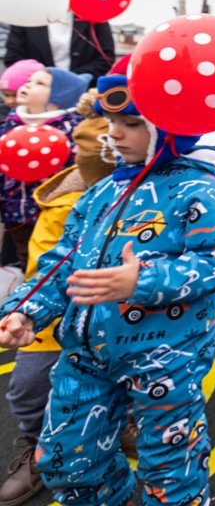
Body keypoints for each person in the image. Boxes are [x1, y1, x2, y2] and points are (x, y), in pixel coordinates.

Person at [0, 70, 215, 505]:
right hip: (84, 355)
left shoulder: (199, 187)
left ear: (170, 126)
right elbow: (63, 262)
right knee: (64, 462)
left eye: (133, 124)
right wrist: (25, 310)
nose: (116, 133)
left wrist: (143, 280)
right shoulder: (99, 194)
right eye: (113, 122)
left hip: (164, 362)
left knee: (171, 475)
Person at [0, 94, 112, 505]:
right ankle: (39, 448)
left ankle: (121, 427)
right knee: (29, 387)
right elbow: (48, 268)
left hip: (121, 322)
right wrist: (24, 311)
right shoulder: (67, 205)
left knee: (119, 387)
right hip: (58, 319)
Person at [1, 67, 91, 267]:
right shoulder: (11, 122)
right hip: (16, 210)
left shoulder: (70, 127)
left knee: (48, 258)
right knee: (23, 257)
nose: (28, 85)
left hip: (53, 212)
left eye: (39, 83)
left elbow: (75, 169)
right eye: (30, 81)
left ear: (56, 99)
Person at [3, 0, 115, 81]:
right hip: (37, 91)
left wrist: (73, 79)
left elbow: (105, 57)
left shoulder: (94, 17)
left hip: (83, 91)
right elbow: (14, 58)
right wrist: (45, 79)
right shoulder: (26, 18)